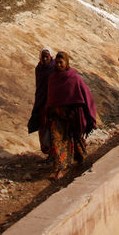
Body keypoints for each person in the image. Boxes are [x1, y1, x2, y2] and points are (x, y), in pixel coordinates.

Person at [44, 51, 97, 179]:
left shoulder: (74, 77)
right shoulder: (53, 78)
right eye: (57, 62)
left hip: (72, 115)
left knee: (76, 138)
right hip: (57, 115)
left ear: (67, 63)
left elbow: (84, 95)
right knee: (57, 141)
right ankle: (59, 169)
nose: (58, 65)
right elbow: (50, 97)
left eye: (61, 62)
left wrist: (81, 113)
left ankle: (80, 159)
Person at [27, 47, 54, 157]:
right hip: (42, 103)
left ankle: (56, 156)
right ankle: (49, 153)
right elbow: (40, 86)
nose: (44, 58)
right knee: (43, 127)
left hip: (53, 103)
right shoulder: (39, 69)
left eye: (46, 56)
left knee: (54, 129)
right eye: (43, 56)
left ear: (51, 57)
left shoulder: (54, 68)